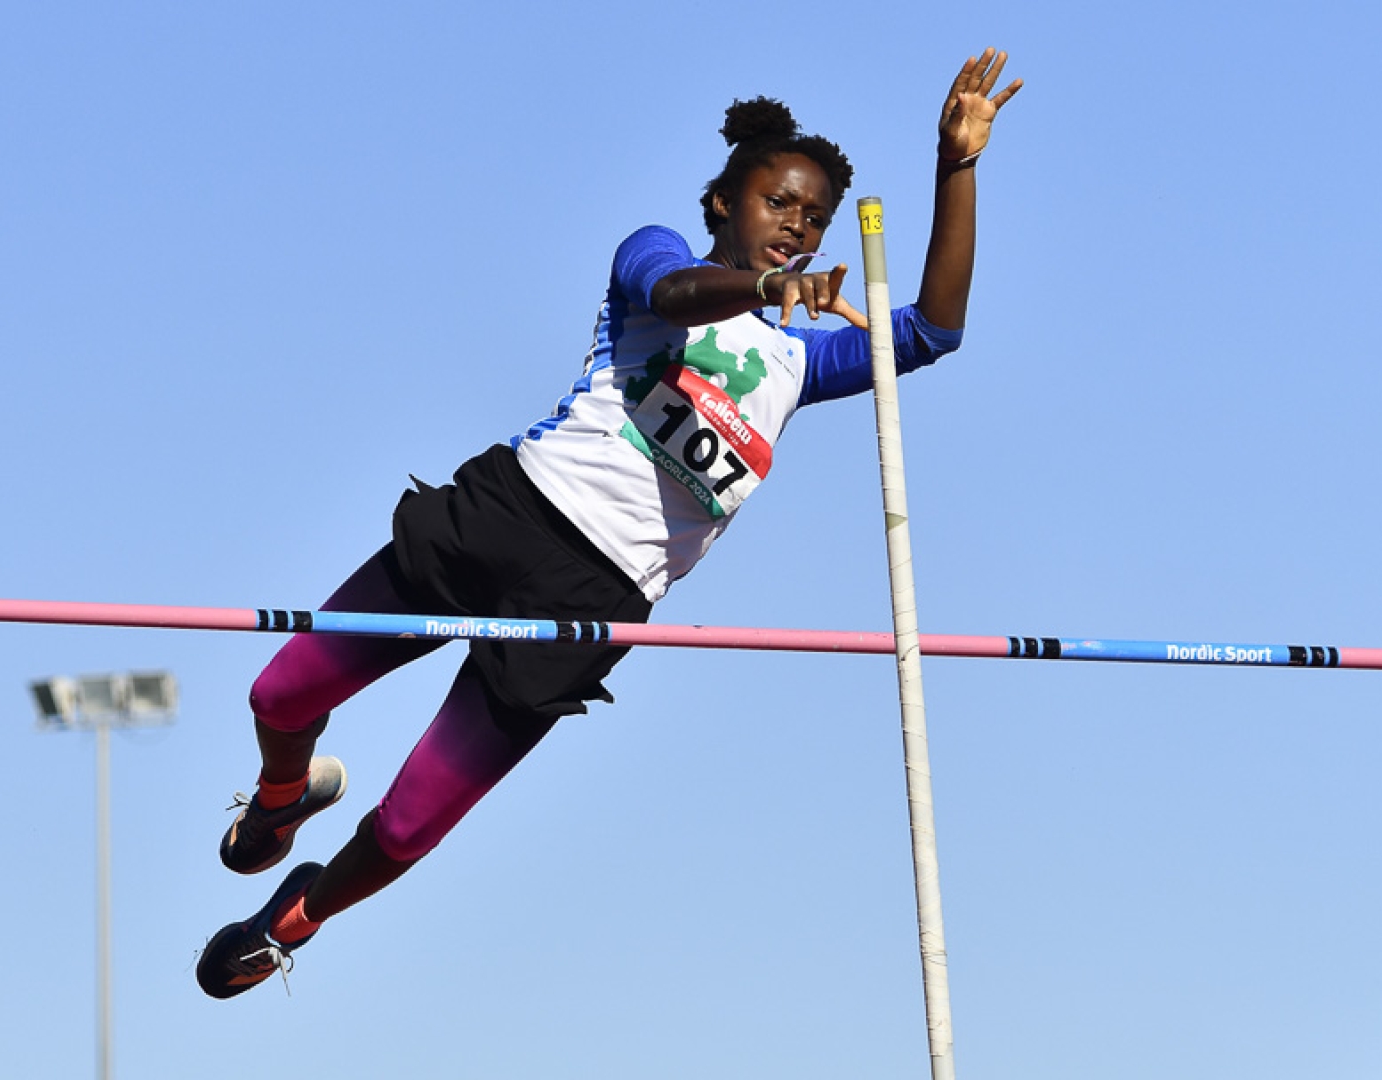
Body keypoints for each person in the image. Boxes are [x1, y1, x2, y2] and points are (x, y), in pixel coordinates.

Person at [197, 49, 1022, 999]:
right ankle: (280, 797)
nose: (797, 228)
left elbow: (932, 334)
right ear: (723, 202)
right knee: (279, 696)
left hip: (598, 597)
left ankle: (291, 918)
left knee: (408, 828)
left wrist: (954, 166)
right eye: (778, 203)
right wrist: (763, 293)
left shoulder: (801, 359)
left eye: (814, 219)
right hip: (505, 516)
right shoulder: (655, 255)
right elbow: (674, 297)